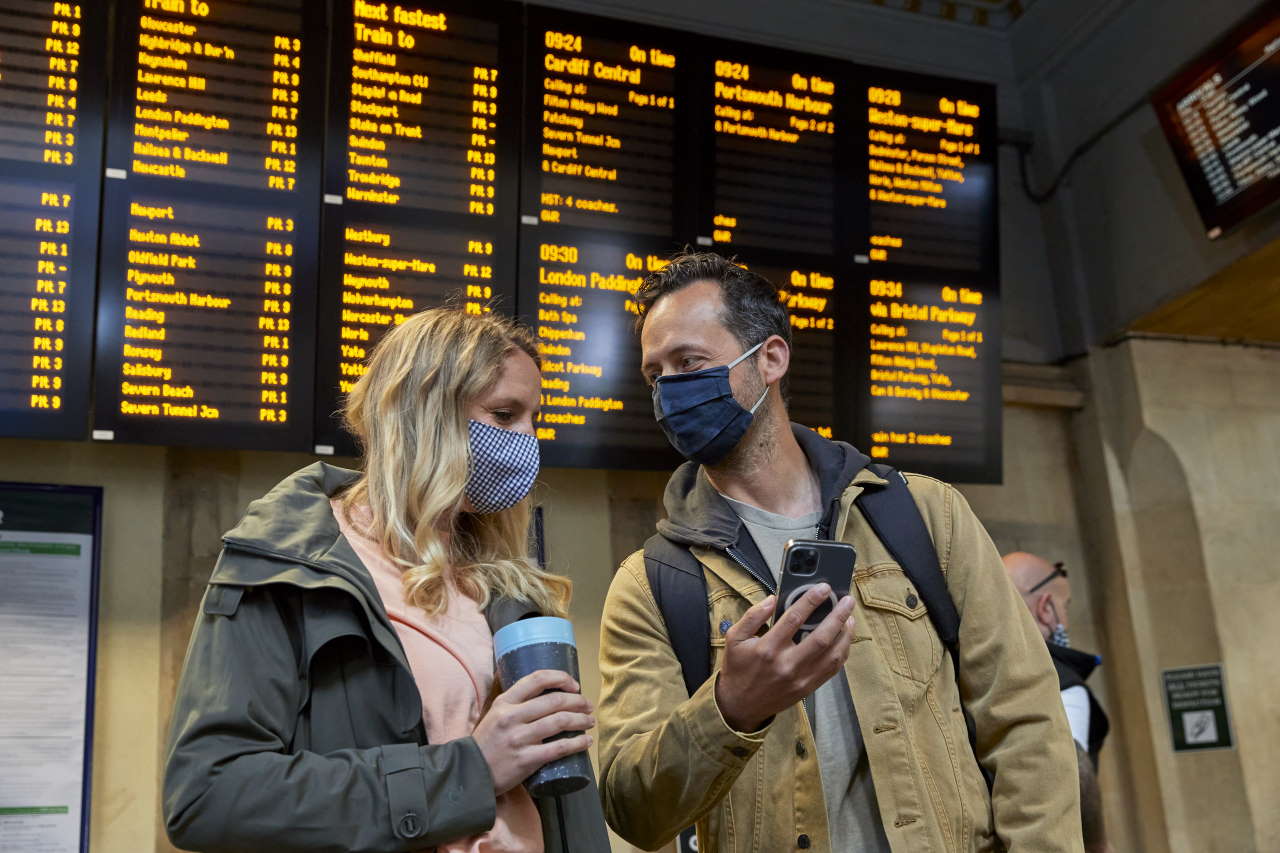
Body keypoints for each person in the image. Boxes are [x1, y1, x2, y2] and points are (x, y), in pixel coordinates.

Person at [597, 252, 1083, 853]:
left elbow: (1025, 723)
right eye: (656, 375)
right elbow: (631, 808)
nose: (671, 390)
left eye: (690, 363)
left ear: (770, 358)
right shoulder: (652, 583)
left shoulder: (924, 516)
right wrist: (731, 709)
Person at [163, 307, 610, 852]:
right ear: (424, 412)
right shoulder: (289, 567)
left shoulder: (510, 590)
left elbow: (567, 804)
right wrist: (470, 769)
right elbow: (208, 796)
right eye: (504, 413)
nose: (528, 441)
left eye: (534, 419)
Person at [1003, 551, 1111, 764]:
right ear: (1046, 609)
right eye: (1064, 606)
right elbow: (1070, 781)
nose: (1066, 621)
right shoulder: (1063, 688)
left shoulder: (968, 674)